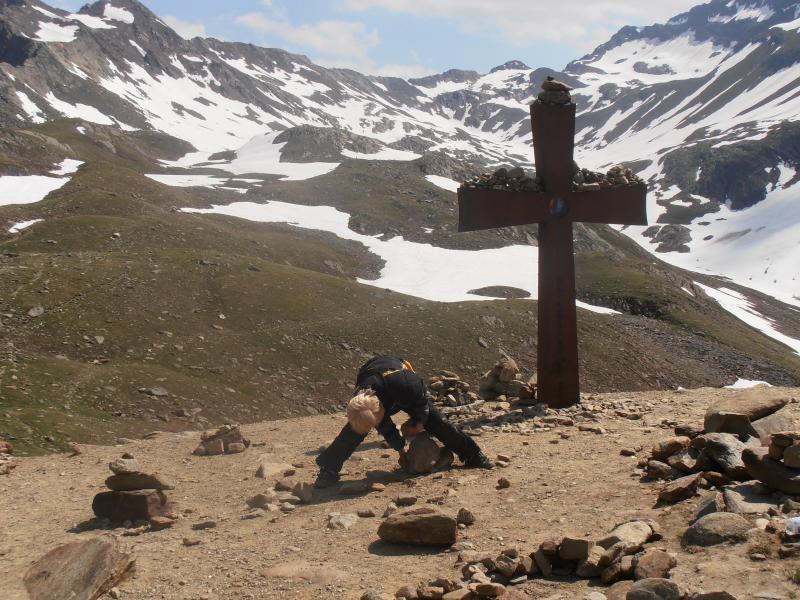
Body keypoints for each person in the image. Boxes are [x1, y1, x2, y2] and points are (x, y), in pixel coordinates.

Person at [314, 355, 493, 488]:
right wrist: (400, 447)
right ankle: (328, 469)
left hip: (400, 384)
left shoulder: (407, 384)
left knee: (438, 422)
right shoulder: (361, 402)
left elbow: (421, 402)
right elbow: (384, 425)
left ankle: (473, 455)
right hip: (374, 376)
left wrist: (419, 421)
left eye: (378, 420)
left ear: (381, 409)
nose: (377, 425)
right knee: (355, 430)